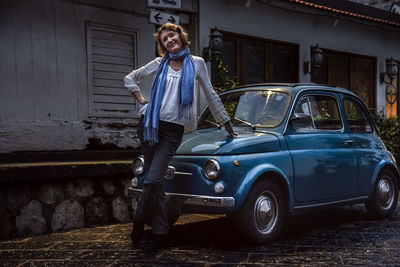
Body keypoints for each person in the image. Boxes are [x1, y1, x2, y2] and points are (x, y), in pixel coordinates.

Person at [124, 23, 237, 252]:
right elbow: (130, 78)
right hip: (149, 126)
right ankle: (159, 233)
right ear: (162, 45)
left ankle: (138, 221)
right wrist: (141, 98)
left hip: (173, 131)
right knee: (153, 183)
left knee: (154, 179)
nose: (169, 40)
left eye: (171, 35)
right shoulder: (159, 63)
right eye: (164, 39)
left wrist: (226, 122)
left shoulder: (196, 63)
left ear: (180, 36)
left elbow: (210, 93)